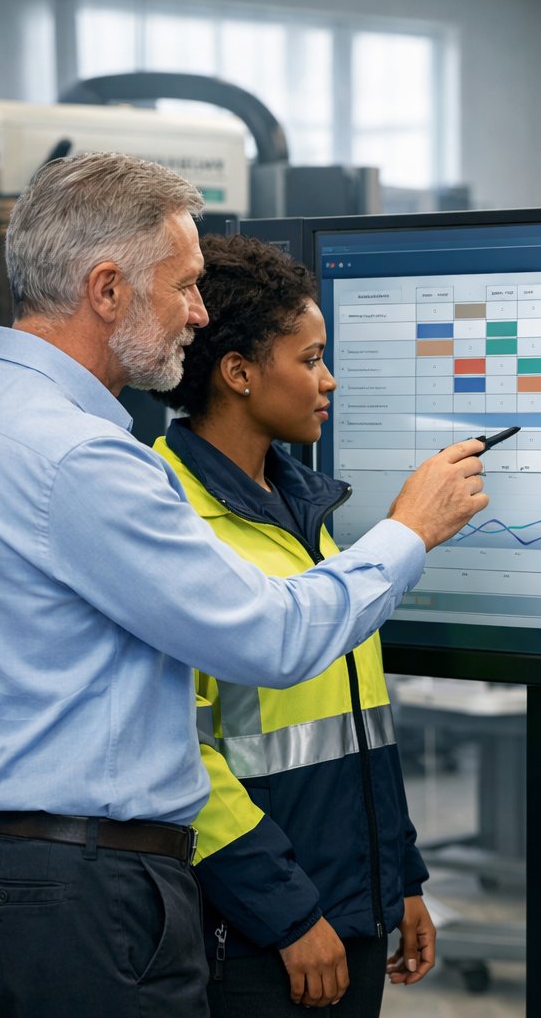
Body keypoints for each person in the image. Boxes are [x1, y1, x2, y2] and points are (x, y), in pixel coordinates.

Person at [0, 153, 488, 1018]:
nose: (198, 313)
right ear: (107, 289)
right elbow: (268, 638)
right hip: (86, 889)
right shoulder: (85, 459)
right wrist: (408, 531)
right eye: (185, 285)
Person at [147, 233, 433, 1015]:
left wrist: (400, 877)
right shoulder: (167, 516)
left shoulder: (304, 512)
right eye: (309, 360)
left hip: (350, 903)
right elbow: (176, 752)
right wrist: (286, 914)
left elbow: (356, 716)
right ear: (239, 373)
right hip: (256, 928)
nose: (327, 379)